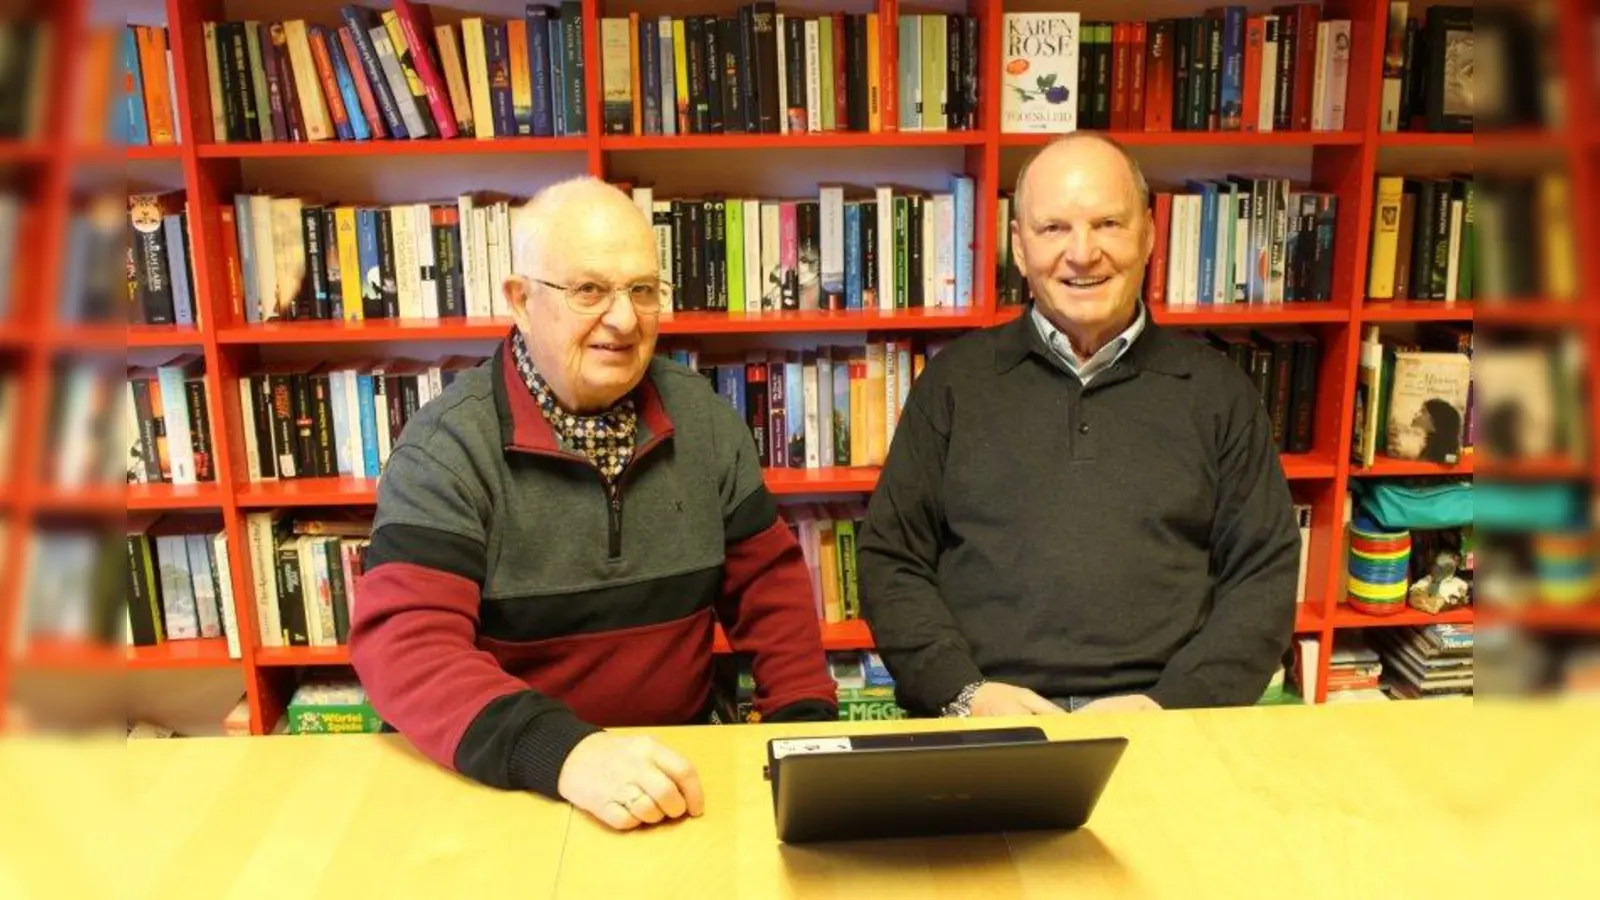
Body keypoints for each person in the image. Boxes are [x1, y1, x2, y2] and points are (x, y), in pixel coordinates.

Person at [350, 177, 838, 831]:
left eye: (643, 290)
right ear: (521, 301)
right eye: (589, 290)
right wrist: (569, 754)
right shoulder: (446, 448)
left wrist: (805, 732)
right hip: (506, 782)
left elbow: (770, 596)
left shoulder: (705, 422)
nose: (625, 320)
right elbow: (407, 648)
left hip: (672, 771)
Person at [856, 134, 1301, 718]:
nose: (1083, 253)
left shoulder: (1219, 392)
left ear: (1149, 234)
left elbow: (1263, 578)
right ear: (1019, 248)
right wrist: (964, 693)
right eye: (1053, 229)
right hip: (986, 712)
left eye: (1108, 224)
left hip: (1166, 719)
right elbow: (890, 560)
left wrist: (1172, 707)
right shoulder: (953, 384)